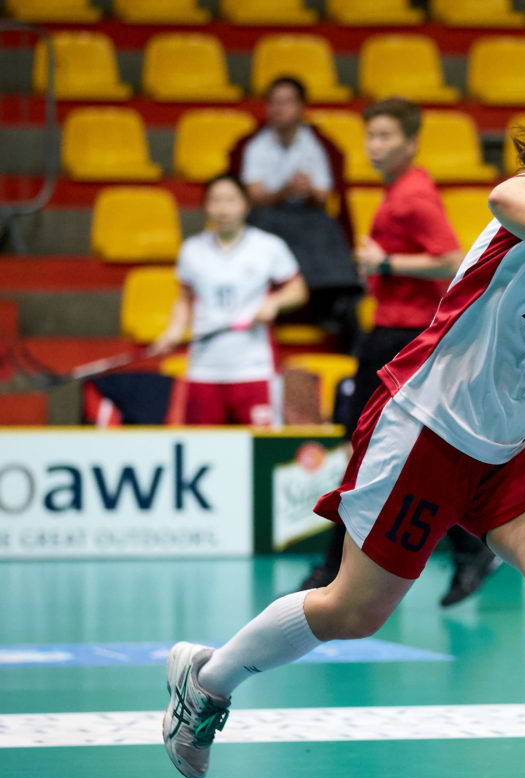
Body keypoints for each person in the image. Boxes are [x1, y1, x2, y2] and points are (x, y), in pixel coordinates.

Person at [162, 80, 525, 778]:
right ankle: (208, 676)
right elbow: (504, 202)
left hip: (512, 438)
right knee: (353, 610)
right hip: (425, 422)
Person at [298, 97, 502, 606]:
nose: (375, 146)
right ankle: (464, 548)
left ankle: (333, 568)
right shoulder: (399, 191)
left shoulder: (413, 196)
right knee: (380, 450)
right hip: (392, 334)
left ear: (410, 143)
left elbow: (452, 259)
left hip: (403, 338)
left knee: (371, 447)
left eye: (386, 136)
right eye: (370, 136)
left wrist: (386, 263)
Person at [154, 174, 308, 426]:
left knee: (261, 454)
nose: (223, 208)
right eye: (216, 200)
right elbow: (184, 299)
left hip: (254, 368)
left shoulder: (268, 246)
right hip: (204, 369)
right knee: (202, 453)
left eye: (231, 200)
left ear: (245, 205)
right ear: (206, 206)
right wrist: (173, 330)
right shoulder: (191, 250)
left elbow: (298, 290)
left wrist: (274, 303)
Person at [228, 76, 361, 346]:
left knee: (325, 225)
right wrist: (285, 190)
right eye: (274, 102)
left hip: (306, 215)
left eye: (286, 102)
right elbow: (252, 196)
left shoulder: (316, 143)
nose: (279, 109)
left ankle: (333, 306)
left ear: (301, 107)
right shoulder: (255, 145)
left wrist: (309, 190)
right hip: (268, 215)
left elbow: (324, 195)